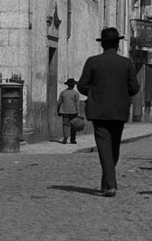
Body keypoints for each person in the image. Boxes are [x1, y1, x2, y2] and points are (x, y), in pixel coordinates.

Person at [76, 27, 140, 197]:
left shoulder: (93, 61)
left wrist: (94, 92)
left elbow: (81, 85)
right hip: (119, 111)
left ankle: (109, 184)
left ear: (102, 44)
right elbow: (134, 88)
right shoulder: (126, 63)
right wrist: (121, 92)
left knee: (104, 147)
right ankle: (109, 184)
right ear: (117, 44)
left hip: (99, 111)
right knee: (114, 148)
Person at [56, 77, 82, 145]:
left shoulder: (63, 92)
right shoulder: (75, 93)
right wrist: (78, 113)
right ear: (73, 85)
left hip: (64, 111)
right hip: (73, 112)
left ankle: (66, 136)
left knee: (65, 124)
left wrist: (58, 111)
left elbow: (59, 102)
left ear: (67, 85)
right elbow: (77, 104)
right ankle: (72, 140)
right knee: (73, 126)